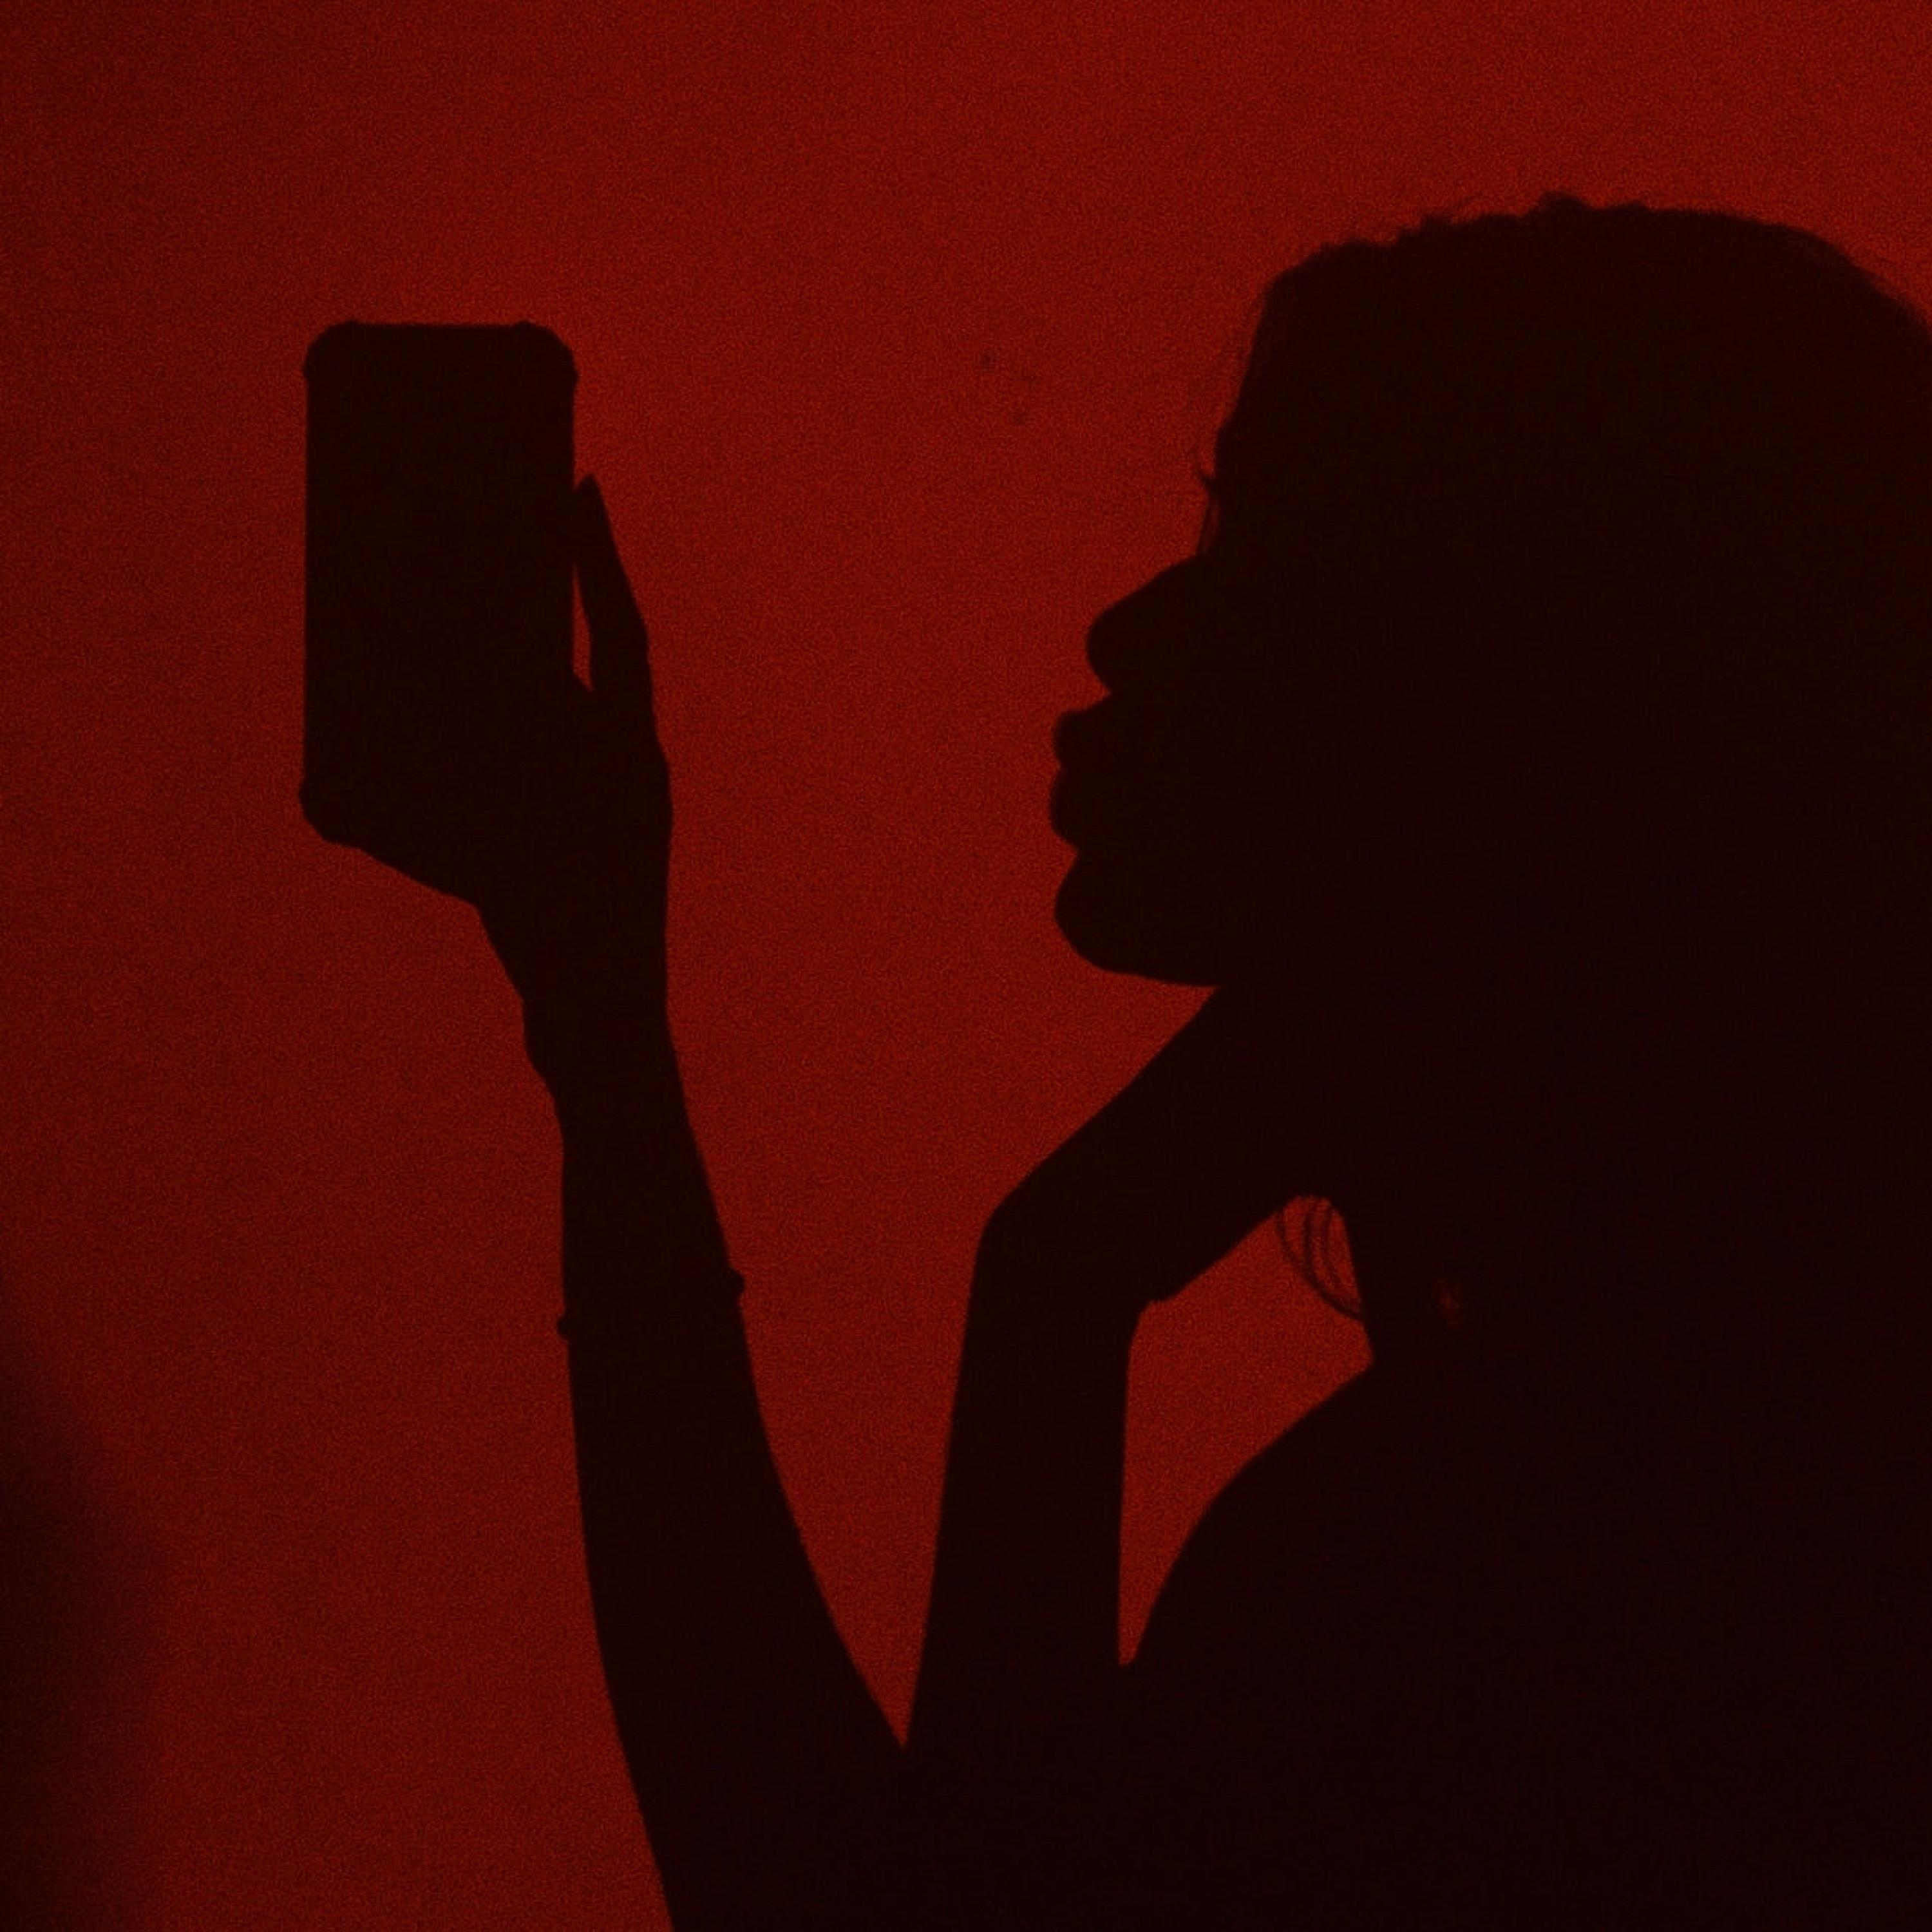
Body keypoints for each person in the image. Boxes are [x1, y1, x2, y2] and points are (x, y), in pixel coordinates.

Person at [366, 195, 1932, 1926]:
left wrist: (1047, 1289)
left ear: (1495, 682)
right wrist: (608, 1033)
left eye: (1260, 544)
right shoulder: (1666, 1479)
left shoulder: (1524, 1558)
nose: (1130, 627)